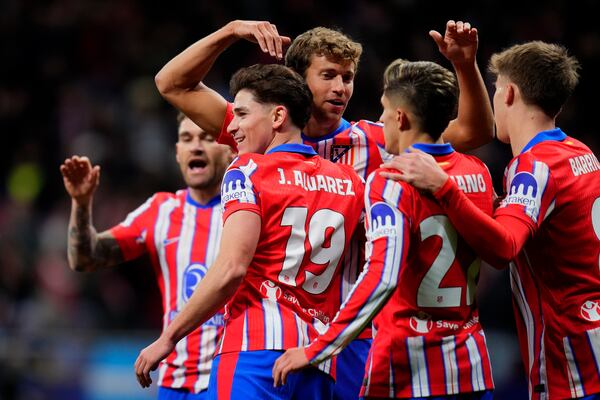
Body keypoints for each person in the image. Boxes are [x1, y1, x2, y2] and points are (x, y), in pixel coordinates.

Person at [153, 19, 494, 400]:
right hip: (275, 327)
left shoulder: (377, 140)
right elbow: (172, 83)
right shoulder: (262, 125)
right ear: (298, 79)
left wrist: (465, 65)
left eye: (347, 77)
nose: (340, 88)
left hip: (355, 332)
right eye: (328, 75)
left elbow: (474, 133)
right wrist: (230, 31)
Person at [135, 64, 365, 400]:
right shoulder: (350, 182)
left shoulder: (247, 170)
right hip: (318, 358)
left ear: (277, 116)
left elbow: (231, 268)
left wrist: (170, 336)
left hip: (253, 351)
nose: (233, 126)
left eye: (242, 114)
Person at [385, 42, 600, 399]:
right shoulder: (582, 154)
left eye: (496, 89)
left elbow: (503, 247)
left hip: (570, 356)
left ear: (509, 92)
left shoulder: (534, 166)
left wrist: (444, 187)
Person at [273, 59, 496, 398]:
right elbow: (501, 249)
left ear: (401, 118)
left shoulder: (391, 180)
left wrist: (319, 347)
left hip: (406, 368)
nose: (380, 121)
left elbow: (383, 276)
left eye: (384, 111)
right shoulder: (477, 172)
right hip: (472, 367)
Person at [60, 113, 232, 400]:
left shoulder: (246, 211)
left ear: (229, 149)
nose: (196, 147)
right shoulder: (161, 210)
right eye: (187, 139)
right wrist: (81, 203)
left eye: (207, 138)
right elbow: (85, 259)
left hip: (230, 379)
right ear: (177, 152)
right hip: (174, 381)